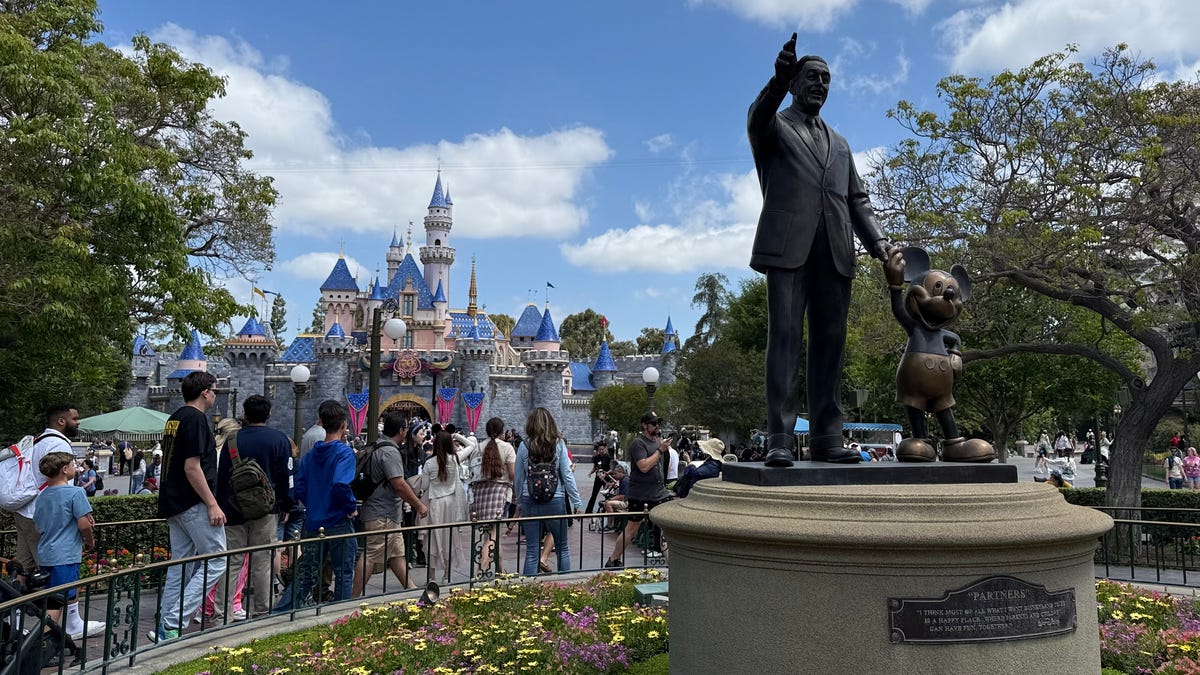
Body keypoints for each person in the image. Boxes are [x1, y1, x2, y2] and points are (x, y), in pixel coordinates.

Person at [748, 34, 891, 467]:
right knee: (786, 340)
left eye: (827, 79)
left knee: (832, 343)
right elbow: (756, 118)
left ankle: (829, 436)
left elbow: (858, 201)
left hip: (835, 251)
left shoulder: (842, 143)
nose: (821, 85)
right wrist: (775, 82)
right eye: (812, 76)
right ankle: (779, 436)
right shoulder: (775, 128)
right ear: (794, 82)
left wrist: (882, 245)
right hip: (787, 249)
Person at [150, 371, 229, 644]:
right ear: (205, 392)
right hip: (193, 502)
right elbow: (192, 466)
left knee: (181, 565)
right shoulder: (195, 419)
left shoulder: (175, 418)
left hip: (174, 502)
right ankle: (174, 620)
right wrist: (212, 503)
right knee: (218, 558)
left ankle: (164, 627)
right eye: (214, 390)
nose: (215, 395)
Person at [213, 395, 294, 620]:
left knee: (231, 563)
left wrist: (220, 507)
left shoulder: (232, 439)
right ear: (269, 414)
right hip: (266, 510)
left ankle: (221, 615)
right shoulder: (279, 440)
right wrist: (287, 504)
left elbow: (222, 478)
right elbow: (286, 476)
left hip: (233, 508)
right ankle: (262, 611)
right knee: (262, 563)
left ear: (245, 414)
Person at [275, 400, 358, 611]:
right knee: (343, 572)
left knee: (307, 572)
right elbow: (340, 483)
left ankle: (283, 611)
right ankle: (340, 616)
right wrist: (350, 507)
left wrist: (314, 504)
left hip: (314, 520)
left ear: (321, 423)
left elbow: (300, 487)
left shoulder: (311, 455)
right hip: (338, 519)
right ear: (343, 425)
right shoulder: (344, 453)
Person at [352, 412, 428, 597]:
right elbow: (399, 484)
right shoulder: (390, 451)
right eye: (406, 429)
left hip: (387, 513)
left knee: (395, 554)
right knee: (371, 554)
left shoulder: (377, 445)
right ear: (401, 430)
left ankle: (411, 589)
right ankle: (350, 598)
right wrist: (419, 505)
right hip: (382, 514)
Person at [33, 452, 99, 633]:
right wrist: (89, 541)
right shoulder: (76, 492)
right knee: (57, 602)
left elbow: (38, 527)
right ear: (64, 470)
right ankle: (42, 644)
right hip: (65, 554)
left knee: (52, 598)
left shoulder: (43, 496)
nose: (75, 468)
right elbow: (84, 524)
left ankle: (54, 636)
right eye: (72, 465)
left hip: (46, 554)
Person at [512, 408, 582, 576]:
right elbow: (566, 474)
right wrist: (577, 502)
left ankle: (529, 590)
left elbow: (519, 478)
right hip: (555, 499)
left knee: (531, 551)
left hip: (530, 499)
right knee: (562, 548)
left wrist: (520, 502)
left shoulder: (524, 445)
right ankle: (564, 589)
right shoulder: (558, 444)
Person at [605, 412, 672, 568]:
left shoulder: (658, 442)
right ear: (645, 425)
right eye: (654, 424)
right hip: (640, 494)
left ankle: (673, 567)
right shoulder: (638, 444)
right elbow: (643, 466)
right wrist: (660, 451)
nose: (657, 427)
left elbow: (663, 464)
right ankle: (614, 559)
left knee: (667, 527)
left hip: (659, 492)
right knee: (632, 528)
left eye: (658, 424)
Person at [410, 431, 473, 583]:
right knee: (449, 538)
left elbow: (424, 486)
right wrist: (456, 436)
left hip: (434, 503)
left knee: (432, 539)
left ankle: (431, 577)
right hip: (451, 503)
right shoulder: (455, 458)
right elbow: (472, 445)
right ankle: (446, 575)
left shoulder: (429, 463)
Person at [468, 418, 515, 576]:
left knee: (491, 534)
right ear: (502, 431)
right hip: (499, 492)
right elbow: (513, 474)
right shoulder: (507, 448)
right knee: (493, 535)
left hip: (480, 494)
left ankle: (500, 570)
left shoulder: (477, 447)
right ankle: (479, 571)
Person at [585, 439, 613, 514]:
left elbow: (612, 468)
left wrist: (606, 473)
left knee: (606, 494)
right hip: (598, 477)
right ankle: (588, 511)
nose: (601, 451)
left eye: (602, 449)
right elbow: (595, 467)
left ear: (605, 449)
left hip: (606, 479)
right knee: (594, 494)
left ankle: (607, 509)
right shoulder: (596, 458)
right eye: (599, 449)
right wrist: (590, 473)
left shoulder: (608, 458)